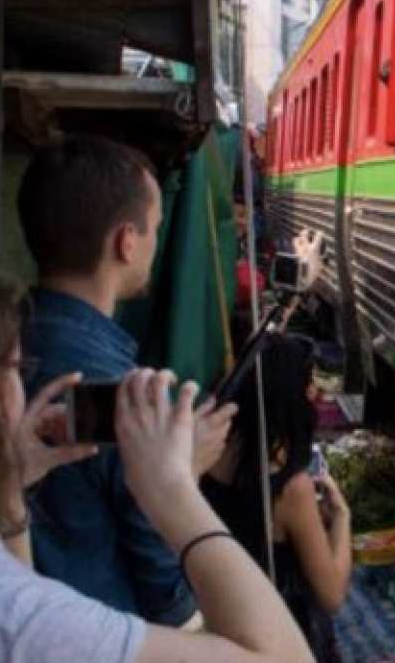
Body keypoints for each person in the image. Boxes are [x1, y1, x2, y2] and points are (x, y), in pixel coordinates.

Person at [0, 256, 313, 662]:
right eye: (13, 366)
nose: (21, 384)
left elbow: (3, 598)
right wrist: (172, 489)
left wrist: (6, 485)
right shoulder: (5, 624)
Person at [15, 135, 238, 624]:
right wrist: (179, 473)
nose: (155, 243)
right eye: (154, 228)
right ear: (126, 242)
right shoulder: (124, 395)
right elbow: (168, 597)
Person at [202, 335, 351, 661]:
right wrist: (342, 519)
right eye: (308, 385)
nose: (314, 395)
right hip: (276, 636)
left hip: (217, 624)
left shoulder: (206, 453)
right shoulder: (290, 488)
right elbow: (332, 595)